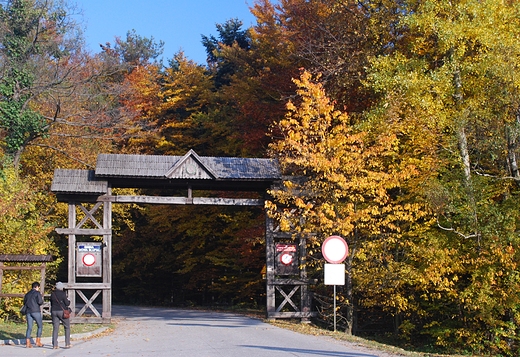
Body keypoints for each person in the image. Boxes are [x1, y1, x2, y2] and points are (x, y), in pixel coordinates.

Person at [50, 281, 71, 349]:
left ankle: (55, 344)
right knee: (67, 327)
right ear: (61, 287)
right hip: (62, 312)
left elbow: (51, 303)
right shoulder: (63, 294)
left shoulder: (53, 294)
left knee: (55, 328)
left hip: (54, 311)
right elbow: (67, 303)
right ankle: (67, 343)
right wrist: (69, 301)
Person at [23, 281, 44, 348]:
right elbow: (40, 302)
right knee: (40, 326)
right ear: (37, 287)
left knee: (29, 327)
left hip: (28, 311)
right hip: (35, 311)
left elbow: (24, 302)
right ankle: (38, 341)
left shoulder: (27, 294)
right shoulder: (37, 293)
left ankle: (27, 342)